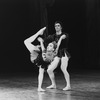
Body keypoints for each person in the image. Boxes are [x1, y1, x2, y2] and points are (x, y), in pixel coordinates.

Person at [24, 27, 60, 92]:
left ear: (53, 49)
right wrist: (41, 43)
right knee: (41, 72)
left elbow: (44, 54)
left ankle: (38, 33)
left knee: (26, 42)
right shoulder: (48, 51)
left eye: (50, 46)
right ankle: (39, 87)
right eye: (49, 45)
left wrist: (41, 42)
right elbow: (43, 49)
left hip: (36, 58)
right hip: (40, 58)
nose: (48, 46)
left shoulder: (51, 54)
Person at [45, 21, 71, 90]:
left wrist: (56, 48)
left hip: (63, 53)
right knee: (49, 69)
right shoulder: (53, 36)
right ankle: (53, 84)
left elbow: (59, 41)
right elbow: (48, 43)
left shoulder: (65, 34)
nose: (57, 27)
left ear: (61, 27)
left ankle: (68, 85)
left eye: (58, 25)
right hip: (56, 54)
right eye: (55, 26)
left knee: (63, 68)